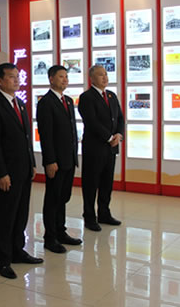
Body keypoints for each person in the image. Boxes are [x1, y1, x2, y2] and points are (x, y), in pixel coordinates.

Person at [0, 63, 41, 279]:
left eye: (18, 76)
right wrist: (0, 173)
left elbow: (26, 138)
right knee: (5, 216)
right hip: (7, 172)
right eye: (11, 77)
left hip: (23, 169)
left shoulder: (20, 104)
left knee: (21, 213)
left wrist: (31, 163)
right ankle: (2, 260)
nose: (17, 80)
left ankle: (17, 250)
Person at [36, 65, 82, 253]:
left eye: (66, 76)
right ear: (51, 79)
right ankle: (50, 237)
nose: (65, 80)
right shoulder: (46, 102)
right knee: (53, 199)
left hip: (69, 158)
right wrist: (50, 160)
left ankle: (61, 231)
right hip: (56, 160)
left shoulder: (68, 101)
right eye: (61, 76)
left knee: (63, 197)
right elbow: (46, 135)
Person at [78, 65, 125, 232]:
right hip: (95, 148)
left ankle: (104, 213)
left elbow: (120, 118)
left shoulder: (111, 95)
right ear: (91, 78)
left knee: (107, 182)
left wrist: (119, 134)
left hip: (111, 148)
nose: (105, 77)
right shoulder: (86, 97)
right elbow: (91, 121)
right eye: (100, 75)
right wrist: (109, 137)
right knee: (91, 183)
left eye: (106, 74)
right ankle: (89, 217)